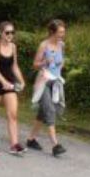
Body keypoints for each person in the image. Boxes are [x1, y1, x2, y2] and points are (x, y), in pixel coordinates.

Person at [0, 21, 27, 155]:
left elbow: (14, 66)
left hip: (9, 83)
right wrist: (3, 82)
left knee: (13, 114)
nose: (10, 35)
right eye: (7, 32)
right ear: (1, 33)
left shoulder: (13, 47)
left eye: (12, 32)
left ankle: (14, 144)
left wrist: (21, 80)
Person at [26, 19, 67, 157]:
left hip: (54, 82)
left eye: (63, 31)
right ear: (52, 32)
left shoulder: (61, 45)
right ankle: (55, 145)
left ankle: (31, 139)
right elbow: (35, 64)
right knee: (49, 110)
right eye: (60, 32)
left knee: (43, 112)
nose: (62, 34)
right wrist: (45, 62)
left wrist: (59, 71)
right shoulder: (44, 45)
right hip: (43, 82)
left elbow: (62, 62)